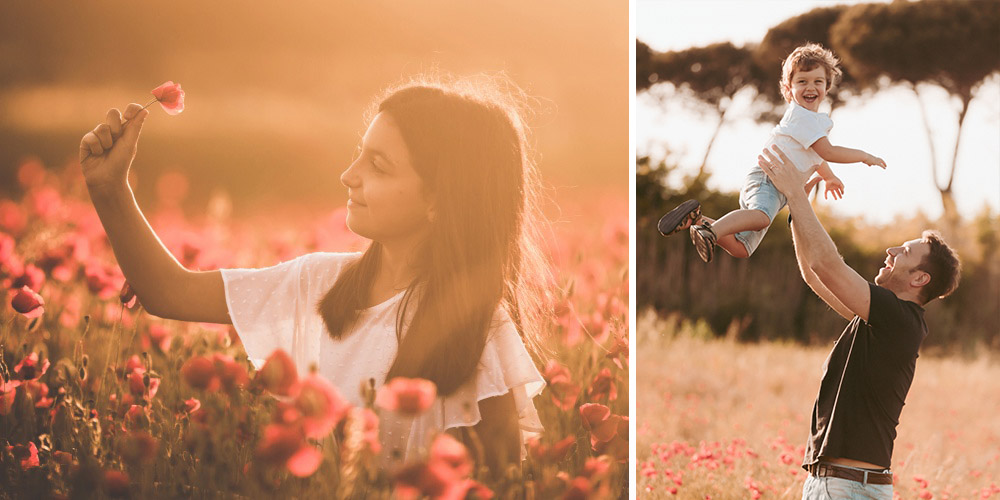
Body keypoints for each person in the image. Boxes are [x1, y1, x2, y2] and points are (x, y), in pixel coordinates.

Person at [77, 76, 551, 473]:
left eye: (378, 166)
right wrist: (109, 188)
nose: (349, 174)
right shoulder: (317, 285)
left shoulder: (480, 333)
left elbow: (504, 480)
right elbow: (169, 291)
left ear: (438, 200)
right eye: (359, 154)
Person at [757, 145, 961, 500]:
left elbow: (828, 266)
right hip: (848, 485)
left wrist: (794, 193)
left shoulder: (898, 318)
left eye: (905, 253)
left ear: (919, 280)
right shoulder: (883, 321)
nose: (891, 252)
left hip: (844, 487)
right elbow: (814, 275)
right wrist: (796, 214)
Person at [657, 43, 887, 263]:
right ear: (789, 89)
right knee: (761, 218)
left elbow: (815, 157)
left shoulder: (813, 122)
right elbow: (828, 151)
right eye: (802, 81)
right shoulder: (803, 117)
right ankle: (711, 232)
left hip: (776, 191)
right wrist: (864, 156)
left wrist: (829, 177)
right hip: (767, 182)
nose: (810, 87)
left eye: (818, 81)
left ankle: (697, 220)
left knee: (742, 249)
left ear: (827, 87)